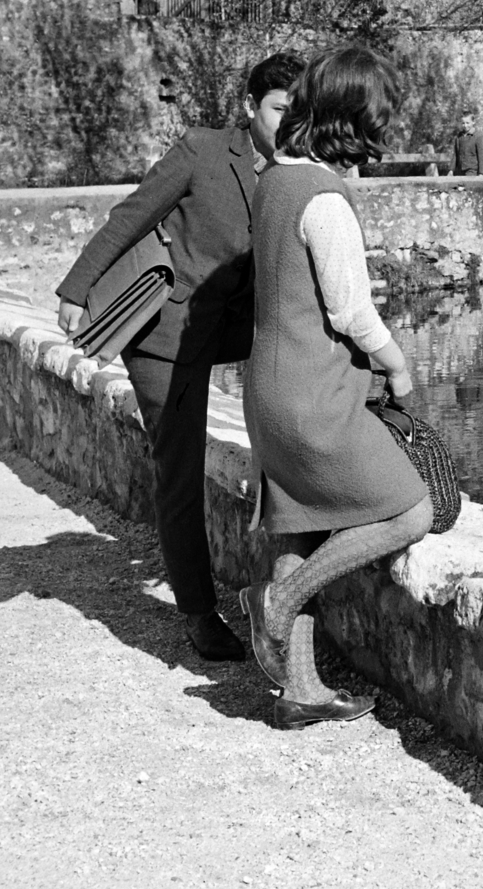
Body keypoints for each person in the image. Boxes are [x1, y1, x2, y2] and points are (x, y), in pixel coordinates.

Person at [55, 52, 306, 661]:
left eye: (299, 110)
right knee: (181, 467)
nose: (289, 121)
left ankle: (287, 599)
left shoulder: (300, 169)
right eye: (278, 109)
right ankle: (198, 611)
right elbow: (130, 217)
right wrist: (74, 288)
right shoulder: (201, 151)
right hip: (167, 336)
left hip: (241, 334)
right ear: (249, 108)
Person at [240, 45, 433, 729]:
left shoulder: (274, 178)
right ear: (358, 117)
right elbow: (351, 310)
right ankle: (279, 598)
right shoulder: (325, 199)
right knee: (411, 509)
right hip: (312, 393)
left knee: (299, 518)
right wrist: (400, 365)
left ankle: (299, 689)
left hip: (265, 391)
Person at [452, 107, 483, 176]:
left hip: (472, 170)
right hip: (460, 169)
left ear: (473, 122)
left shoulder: (477, 136)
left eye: (467, 123)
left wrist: (481, 172)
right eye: (463, 123)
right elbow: (455, 154)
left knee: (469, 186)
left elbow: (481, 155)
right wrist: (451, 170)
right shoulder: (459, 137)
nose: (465, 125)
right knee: (459, 186)